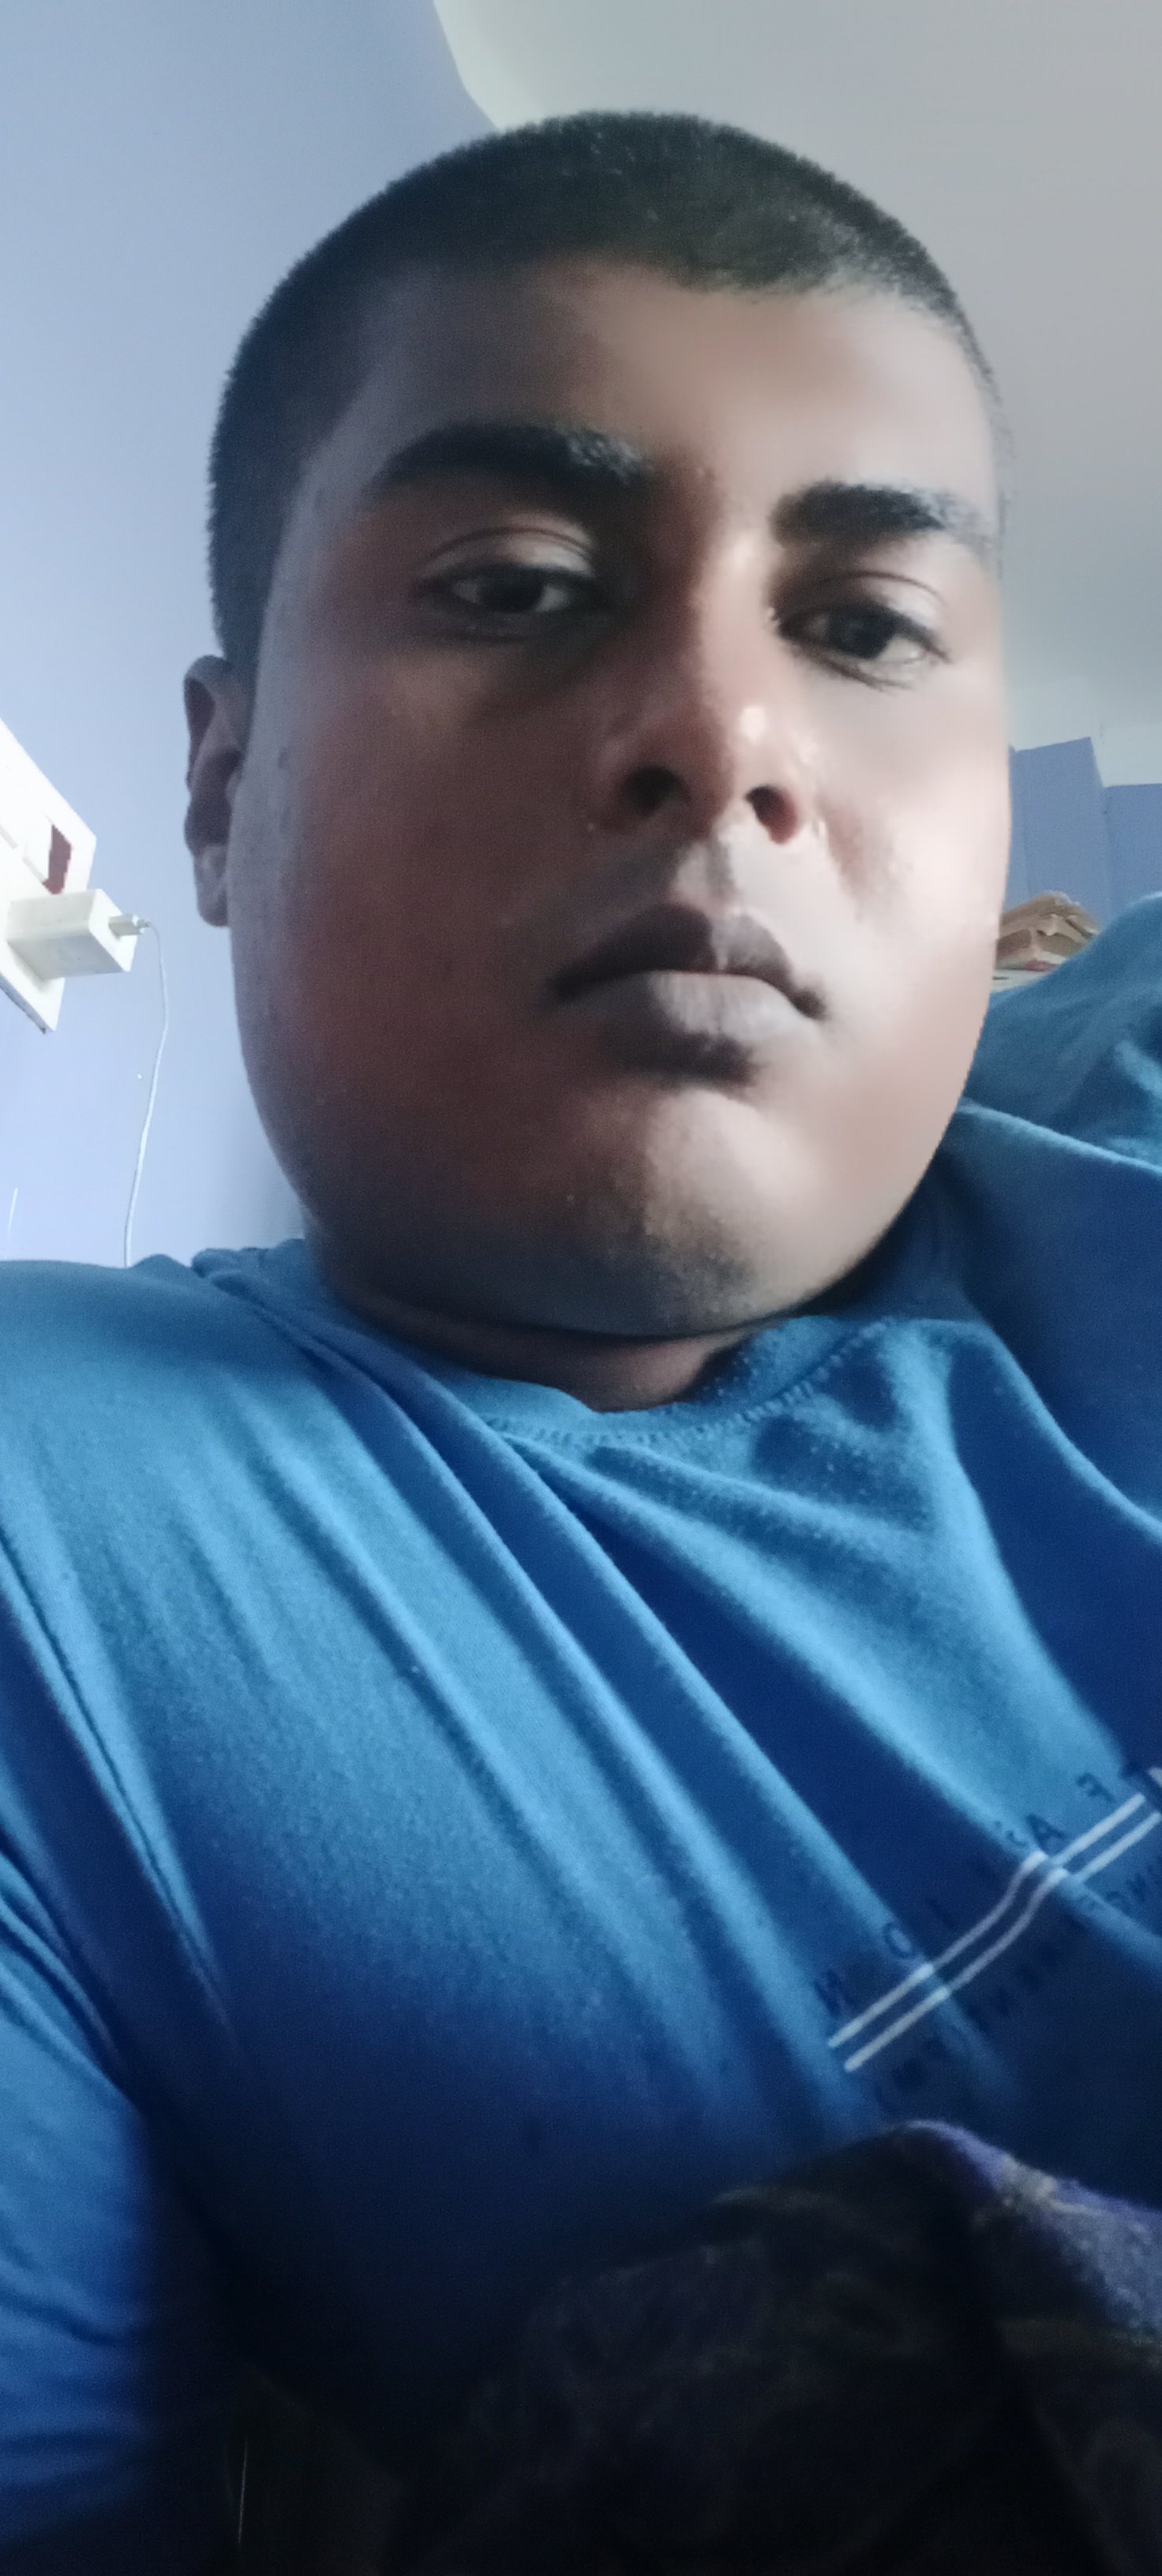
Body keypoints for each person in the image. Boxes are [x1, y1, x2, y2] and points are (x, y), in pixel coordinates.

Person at [0, 107, 1160, 2572]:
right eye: (519, 586)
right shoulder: (56, 1558)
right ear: (219, 779)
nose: (724, 738)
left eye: (867, 629)